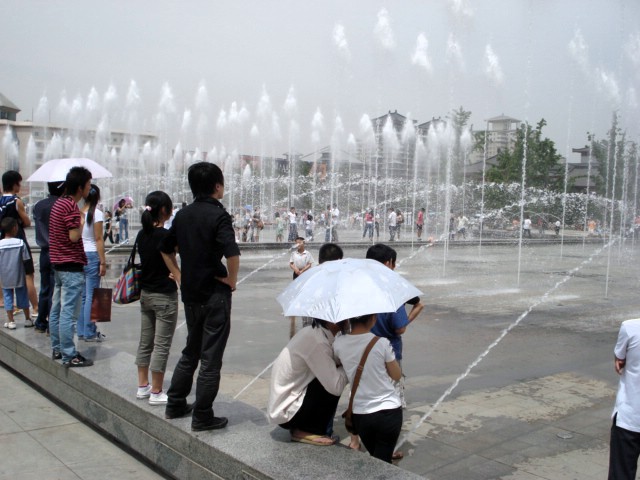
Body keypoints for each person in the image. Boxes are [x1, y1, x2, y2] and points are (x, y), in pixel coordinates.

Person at [161, 161, 240, 431]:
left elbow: (165, 248)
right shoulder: (219, 215)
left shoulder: (183, 215)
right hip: (215, 294)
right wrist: (232, 280)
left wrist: (179, 275)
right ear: (217, 186)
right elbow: (232, 254)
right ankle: (203, 415)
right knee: (210, 358)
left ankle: (175, 403)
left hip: (191, 294)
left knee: (191, 350)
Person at [268, 316, 348, 446]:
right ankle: (308, 430)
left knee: (331, 372)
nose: (350, 321)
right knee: (333, 381)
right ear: (332, 321)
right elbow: (336, 387)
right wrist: (350, 364)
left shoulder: (313, 333)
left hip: (285, 405)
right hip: (287, 414)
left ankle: (305, 427)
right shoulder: (317, 341)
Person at [333, 313, 403, 463]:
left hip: (361, 413)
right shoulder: (381, 343)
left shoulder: (338, 343)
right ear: (372, 318)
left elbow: (337, 363)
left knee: (376, 458)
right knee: (383, 461)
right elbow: (396, 375)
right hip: (388, 411)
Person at [366, 243, 424, 411]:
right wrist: (411, 316)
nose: (395, 267)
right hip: (388, 351)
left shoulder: (358, 285)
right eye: (393, 263)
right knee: (390, 395)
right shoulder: (392, 289)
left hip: (360, 349)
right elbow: (400, 328)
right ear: (387, 263)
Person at [135, 191, 179, 406]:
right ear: (164, 210)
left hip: (145, 295)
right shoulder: (165, 236)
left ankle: (142, 386)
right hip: (164, 296)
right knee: (161, 345)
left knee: (145, 342)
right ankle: (157, 391)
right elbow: (173, 258)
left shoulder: (141, 235)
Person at [49, 166, 94, 368]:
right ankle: (69, 354)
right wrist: (82, 220)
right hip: (71, 266)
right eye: (88, 184)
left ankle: (58, 348)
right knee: (69, 313)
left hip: (59, 264)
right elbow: (74, 236)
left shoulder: (59, 203)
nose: (90, 188)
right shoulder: (70, 206)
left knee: (57, 310)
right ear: (80, 187)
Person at [1, 170, 38, 323]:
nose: (20, 186)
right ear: (14, 184)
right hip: (18, 240)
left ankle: (7, 305)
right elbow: (27, 222)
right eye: (19, 183)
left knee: (5, 275)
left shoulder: (0, 201)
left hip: (3, 241)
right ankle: (35, 307)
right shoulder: (16, 201)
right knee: (28, 275)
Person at [609, 318, 640, 480]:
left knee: (621, 474)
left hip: (629, 418)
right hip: (629, 419)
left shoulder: (630, 327)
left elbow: (619, 358)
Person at [32, 181, 64, 333]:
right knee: (55, 290)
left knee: (45, 288)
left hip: (44, 251)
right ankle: (52, 323)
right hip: (57, 251)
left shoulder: (39, 205)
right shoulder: (61, 205)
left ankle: (40, 322)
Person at [77, 184, 107, 343]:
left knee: (83, 296)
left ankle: (82, 330)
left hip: (80, 255)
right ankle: (90, 331)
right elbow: (99, 239)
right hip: (92, 255)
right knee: (92, 296)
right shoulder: (97, 213)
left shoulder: (79, 212)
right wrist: (103, 262)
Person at [0, 217, 31, 330]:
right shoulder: (20, 243)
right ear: (14, 228)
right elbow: (26, 259)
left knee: (7, 297)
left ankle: (11, 320)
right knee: (22, 295)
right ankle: (27, 319)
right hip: (19, 274)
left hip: (5, 275)